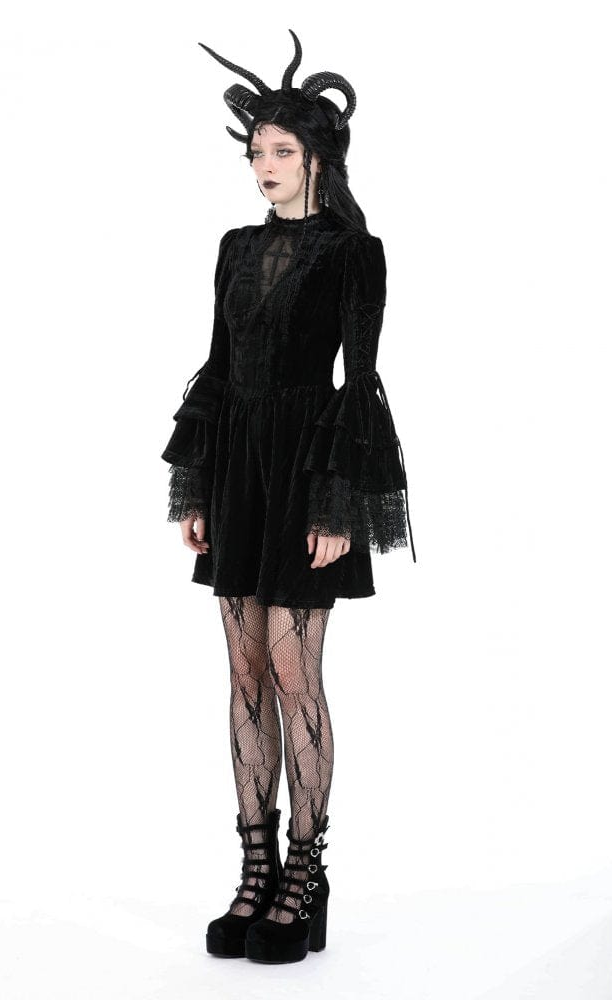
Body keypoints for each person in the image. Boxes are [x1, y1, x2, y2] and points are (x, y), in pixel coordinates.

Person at [160, 29, 416, 964]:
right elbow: (219, 366)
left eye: (281, 151)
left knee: (294, 672)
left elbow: (361, 380)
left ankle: (306, 873)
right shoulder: (233, 248)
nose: (264, 166)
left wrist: (336, 504)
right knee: (243, 676)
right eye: (256, 152)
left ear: (316, 157)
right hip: (238, 467)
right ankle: (256, 867)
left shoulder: (355, 252)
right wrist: (195, 482)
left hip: (307, 468)